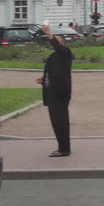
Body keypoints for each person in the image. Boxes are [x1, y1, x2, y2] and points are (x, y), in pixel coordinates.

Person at [39, 23, 74, 157]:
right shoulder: (54, 56)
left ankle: (64, 149)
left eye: (56, 41)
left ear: (63, 44)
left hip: (60, 93)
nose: (52, 42)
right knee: (56, 121)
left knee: (60, 121)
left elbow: (58, 47)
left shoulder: (66, 53)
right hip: (52, 92)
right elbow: (55, 72)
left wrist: (49, 33)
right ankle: (62, 146)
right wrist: (45, 79)